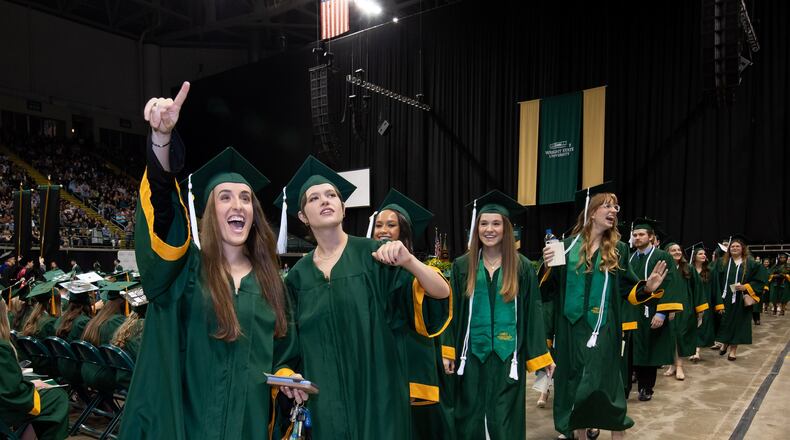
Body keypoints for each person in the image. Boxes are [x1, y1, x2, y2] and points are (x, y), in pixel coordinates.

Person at [120, 82, 303, 440]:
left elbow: (285, 351)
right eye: (225, 197)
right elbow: (162, 217)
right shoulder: (185, 272)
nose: (238, 206)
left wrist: (287, 376)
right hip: (188, 425)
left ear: (255, 213)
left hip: (249, 427)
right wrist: (161, 140)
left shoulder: (271, 285)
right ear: (209, 212)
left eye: (246, 199)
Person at [275, 155, 450, 439]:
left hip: (380, 402)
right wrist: (288, 374)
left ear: (343, 208)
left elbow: (440, 294)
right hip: (326, 405)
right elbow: (288, 347)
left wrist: (410, 262)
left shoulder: (375, 257)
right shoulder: (297, 278)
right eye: (314, 198)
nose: (325, 200)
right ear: (304, 217)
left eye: (331, 195)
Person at [542, 189, 668, 440]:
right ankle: (578, 434)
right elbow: (547, 293)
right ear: (591, 212)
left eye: (616, 208)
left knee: (606, 384)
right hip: (570, 330)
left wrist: (647, 287)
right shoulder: (562, 248)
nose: (613, 212)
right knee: (573, 384)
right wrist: (546, 267)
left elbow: (628, 290)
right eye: (607, 206)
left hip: (604, 329)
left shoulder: (618, 249)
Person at [443, 190, 552, 440]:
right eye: (483, 223)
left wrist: (540, 357)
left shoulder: (523, 267)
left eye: (496, 223)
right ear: (476, 228)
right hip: (469, 356)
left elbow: (533, 312)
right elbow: (451, 313)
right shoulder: (462, 266)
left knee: (504, 418)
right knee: (469, 415)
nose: (489, 229)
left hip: (508, 358)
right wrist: (447, 350)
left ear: (506, 229)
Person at [370, 188, 454, 439]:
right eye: (379, 225)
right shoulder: (365, 269)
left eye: (391, 225)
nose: (383, 230)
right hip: (377, 362)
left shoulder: (414, 271)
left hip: (411, 360)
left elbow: (441, 292)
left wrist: (408, 262)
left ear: (403, 232)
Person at [623, 218, 682, 402]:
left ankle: (646, 387)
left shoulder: (662, 257)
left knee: (648, 349)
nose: (637, 238)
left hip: (651, 310)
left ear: (651, 237)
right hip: (630, 310)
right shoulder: (629, 257)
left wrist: (662, 312)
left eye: (641, 234)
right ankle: (624, 387)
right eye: (634, 235)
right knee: (628, 351)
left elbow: (671, 283)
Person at [0, 299, 69, 440]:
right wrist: (30, 388)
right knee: (58, 398)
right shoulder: (1, 347)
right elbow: (11, 392)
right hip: (5, 406)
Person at [711, 235, 768, 361]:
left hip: (740, 299)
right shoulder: (721, 262)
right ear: (728, 249)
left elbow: (761, 278)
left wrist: (747, 286)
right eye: (732, 246)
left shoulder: (751, 263)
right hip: (724, 297)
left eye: (738, 246)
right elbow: (713, 277)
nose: (735, 248)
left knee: (738, 323)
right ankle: (725, 342)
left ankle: (733, 350)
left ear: (743, 249)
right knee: (724, 321)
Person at [663, 242, 708, 380]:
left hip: (685, 308)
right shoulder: (664, 268)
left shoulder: (688, 268)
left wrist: (700, 309)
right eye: (673, 250)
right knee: (670, 337)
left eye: (679, 249)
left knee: (681, 337)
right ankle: (672, 364)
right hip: (667, 308)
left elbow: (698, 289)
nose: (677, 252)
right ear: (667, 253)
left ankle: (680, 366)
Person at [689, 246, 720, 362]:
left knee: (702, 327)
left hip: (706, 303)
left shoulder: (710, 271)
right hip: (691, 303)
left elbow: (716, 288)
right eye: (700, 254)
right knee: (692, 327)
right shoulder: (689, 270)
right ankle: (692, 349)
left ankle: (696, 352)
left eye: (704, 254)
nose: (703, 255)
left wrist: (718, 304)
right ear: (694, 257)